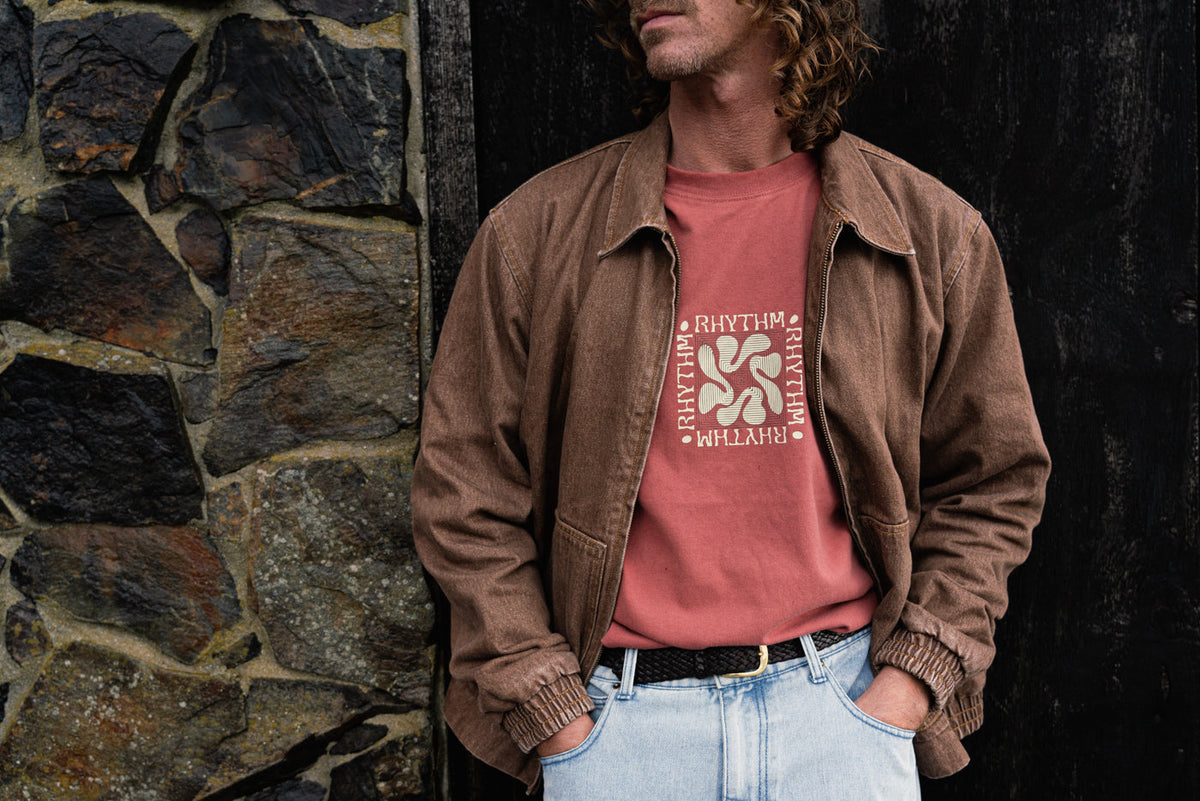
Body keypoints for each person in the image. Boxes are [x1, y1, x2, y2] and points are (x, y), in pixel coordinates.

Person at [411, 1, 1050, 798]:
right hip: (621, 731)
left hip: (844, 719)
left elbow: (996, 479)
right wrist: (556, 716)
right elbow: (462, 494)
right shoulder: (534, 235)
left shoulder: (930, 234)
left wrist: (909, 686)